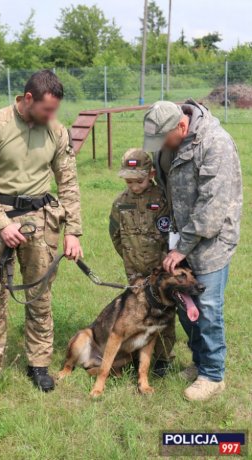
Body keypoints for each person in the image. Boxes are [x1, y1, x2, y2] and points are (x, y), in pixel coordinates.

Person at [0, 70, 83, 393]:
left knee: (39, 295)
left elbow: (68, 181)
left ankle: (38, 365)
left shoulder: (57, 132)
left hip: (41, 220)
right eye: (47, 109)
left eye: (55, 110)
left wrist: (73, 230)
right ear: (28, 99)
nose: (52, 116)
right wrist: (2, 225)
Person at [143, 99, 242, 401]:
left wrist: (180, 248)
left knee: (207, 307)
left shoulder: (215, 144)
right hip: (180, 241)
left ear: (181, 126)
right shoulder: (167, 144)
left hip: (211, 241)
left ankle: (213, 375)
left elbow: (212, 209)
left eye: (163, 140)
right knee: (187, 306)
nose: (159, 146)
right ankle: (200, 362)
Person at [109, 148, 175, 377]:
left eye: (138, 180)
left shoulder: (163, 199)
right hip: (134, 270)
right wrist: (130, 258)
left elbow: (171, 235)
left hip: (161, 271)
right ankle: (137, 354)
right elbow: (116, 235)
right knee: (136, 313)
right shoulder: (120, 203)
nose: (133, 185)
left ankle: (162, 358)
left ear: (151, 173)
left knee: (164, 313)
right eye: (128, 181)